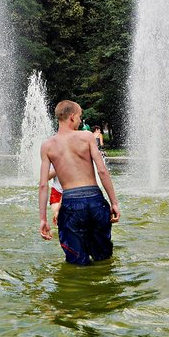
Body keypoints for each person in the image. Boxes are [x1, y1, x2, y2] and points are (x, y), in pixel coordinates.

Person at [38, 100, 120, 265]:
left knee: (76, 261)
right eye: (80, 117)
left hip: (70, 205)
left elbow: (42, 184)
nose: (81, 121)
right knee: (103, 257)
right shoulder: (86, 136)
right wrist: (114, 202)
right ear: (72, 117)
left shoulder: (47, 145)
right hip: (95, 201)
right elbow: (102, 171)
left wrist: (43, 219)